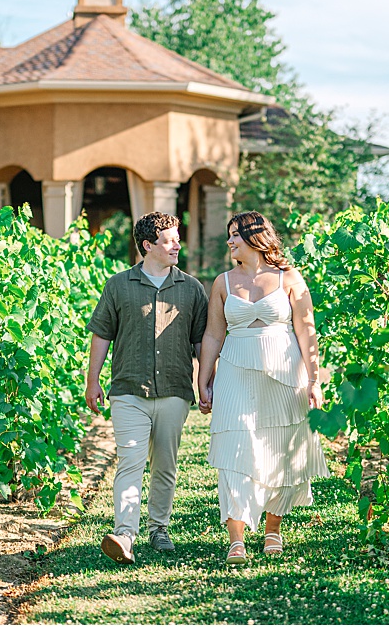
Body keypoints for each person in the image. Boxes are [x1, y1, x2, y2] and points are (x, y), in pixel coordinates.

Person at [196, 210, 332, 566]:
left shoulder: (289, 277)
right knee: (235, 450)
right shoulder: (222, 282)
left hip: (285, 372)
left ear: (255, 237)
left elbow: (306, 330)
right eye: (229, 236)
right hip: (236, 372)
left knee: (281, 448)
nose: (229, 242)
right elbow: (213, 334)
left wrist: (315, 380)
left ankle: (273, 529)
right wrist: (203, 379)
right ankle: (236, 538)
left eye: (235, 236)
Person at [85, 211, 209, 564]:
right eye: (169, 240)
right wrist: (92, 381)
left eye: (177, 238)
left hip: (174, 390)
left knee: (165, 464)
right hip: (128, 391)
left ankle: (159, 527)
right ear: (147, 246)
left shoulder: (191, 289)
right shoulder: (118, 285)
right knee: (130, 461)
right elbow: (102, 334)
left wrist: (205, 384)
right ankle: (125, 534)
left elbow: (201, 342)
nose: (176, 245)